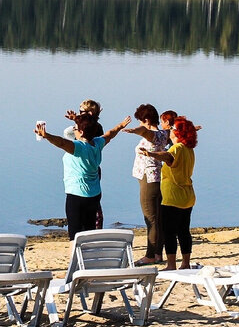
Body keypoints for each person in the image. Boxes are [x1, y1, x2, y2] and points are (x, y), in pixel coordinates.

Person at [35, 112, 131, 240]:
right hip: (94, 195)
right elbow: (110, 134)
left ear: (80, 132)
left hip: (77, 196)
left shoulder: (79, 147)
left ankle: (75, 259)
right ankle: (87, 257)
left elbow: (62, 143)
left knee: (74, 235)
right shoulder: (97, 143)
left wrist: (46, 136)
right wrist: (120, 126)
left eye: (75, 128)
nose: (73, 130)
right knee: (89, 231)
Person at [139, 116, 197, 270]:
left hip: (173, 198)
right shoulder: (189, 149)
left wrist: (151, 154)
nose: (170, 131)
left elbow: (167, 157)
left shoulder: (176, 148)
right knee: (184, 231)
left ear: (178, 133)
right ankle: (185, 263)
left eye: (173, 129)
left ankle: (171, 264)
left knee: (169, 232)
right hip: (187, 196)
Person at [123, 104, 169, 265]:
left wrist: (135, 130)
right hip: (156, 178)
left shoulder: (154, 135)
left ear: (147, 120)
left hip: (149, 180)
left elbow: (145, 132)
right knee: (158, 219)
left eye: (141, 121)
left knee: (151, 219)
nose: (140, 124)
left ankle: (150, 255)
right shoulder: (164, 133)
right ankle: (157, 254)